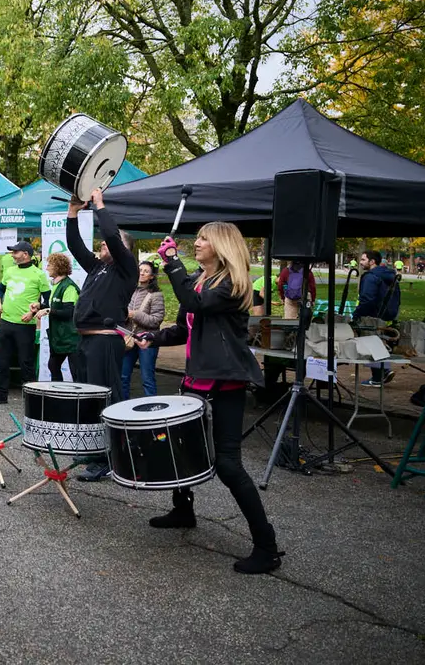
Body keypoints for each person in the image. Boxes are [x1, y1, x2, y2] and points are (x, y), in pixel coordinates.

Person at [140, 223, 282, 574]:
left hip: (224, 383)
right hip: (196, 379)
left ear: (221, 246)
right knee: (182, 451)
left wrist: (171, 262)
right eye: (197, 238)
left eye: (203, 239)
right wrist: (151, 337)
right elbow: (186, 327)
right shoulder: (200, 280)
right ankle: (183, 510)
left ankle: (267, 547)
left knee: (229, 465)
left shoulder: (232, 284)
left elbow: (194, 303)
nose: (197, 243)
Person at [67, 188, 137, 482]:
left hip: (106, 341)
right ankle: (95, 451)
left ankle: (113, 459)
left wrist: (99, 205)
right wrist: (73, 212)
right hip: (85, 341)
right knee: (88, 401)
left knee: (106, 399)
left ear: (123, 249)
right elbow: (75, 246)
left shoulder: (126, 269)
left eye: (110, 244)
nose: (103, 246)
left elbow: (111, 236)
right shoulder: (97, 267)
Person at [0, 241, 49, 405]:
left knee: (25, 362)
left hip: (25, 325)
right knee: (2, 360)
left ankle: (32, 398)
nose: (12, 255)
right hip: (6, 321)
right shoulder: (10, 270)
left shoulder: (38, 274)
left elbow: (47, 301)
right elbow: (0, 288)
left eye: (15, 252)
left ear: (25, 254)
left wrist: (33, 312)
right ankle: (0, 395)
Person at [354, 250, 400, 386]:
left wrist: (357, 314)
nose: (360, 263)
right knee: (379, 342)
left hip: (373, 314)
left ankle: (379, 374)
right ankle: (381, 372)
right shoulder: (389, 275)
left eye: (363, 260)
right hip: (388, 313)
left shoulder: (371, 277)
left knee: (371, 342)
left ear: (372, 261)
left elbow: (367, 298)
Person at [121, 261, 166, 398]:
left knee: (147, 378)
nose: (142, 273)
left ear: (152, 276)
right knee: (123, 376)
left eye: (146, 271)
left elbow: (156, 320)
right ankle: (123, 408)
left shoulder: (156, 295)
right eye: (140, 270)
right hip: (129, 339)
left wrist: (135, 314)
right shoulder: (130, 291)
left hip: (147, 340)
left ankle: (151, 410)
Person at [41, 252, 81, 382]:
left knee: (76, 373)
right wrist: (39, 306)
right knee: (53, 365)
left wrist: (48, 311)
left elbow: (68, 312)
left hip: (71, 337)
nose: (47, 268)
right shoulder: (57, 284)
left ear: (57, 267)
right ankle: (57, 395)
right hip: (59, 336)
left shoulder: (69, 287)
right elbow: (54, 307)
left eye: (49, 265)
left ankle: (79, 399)